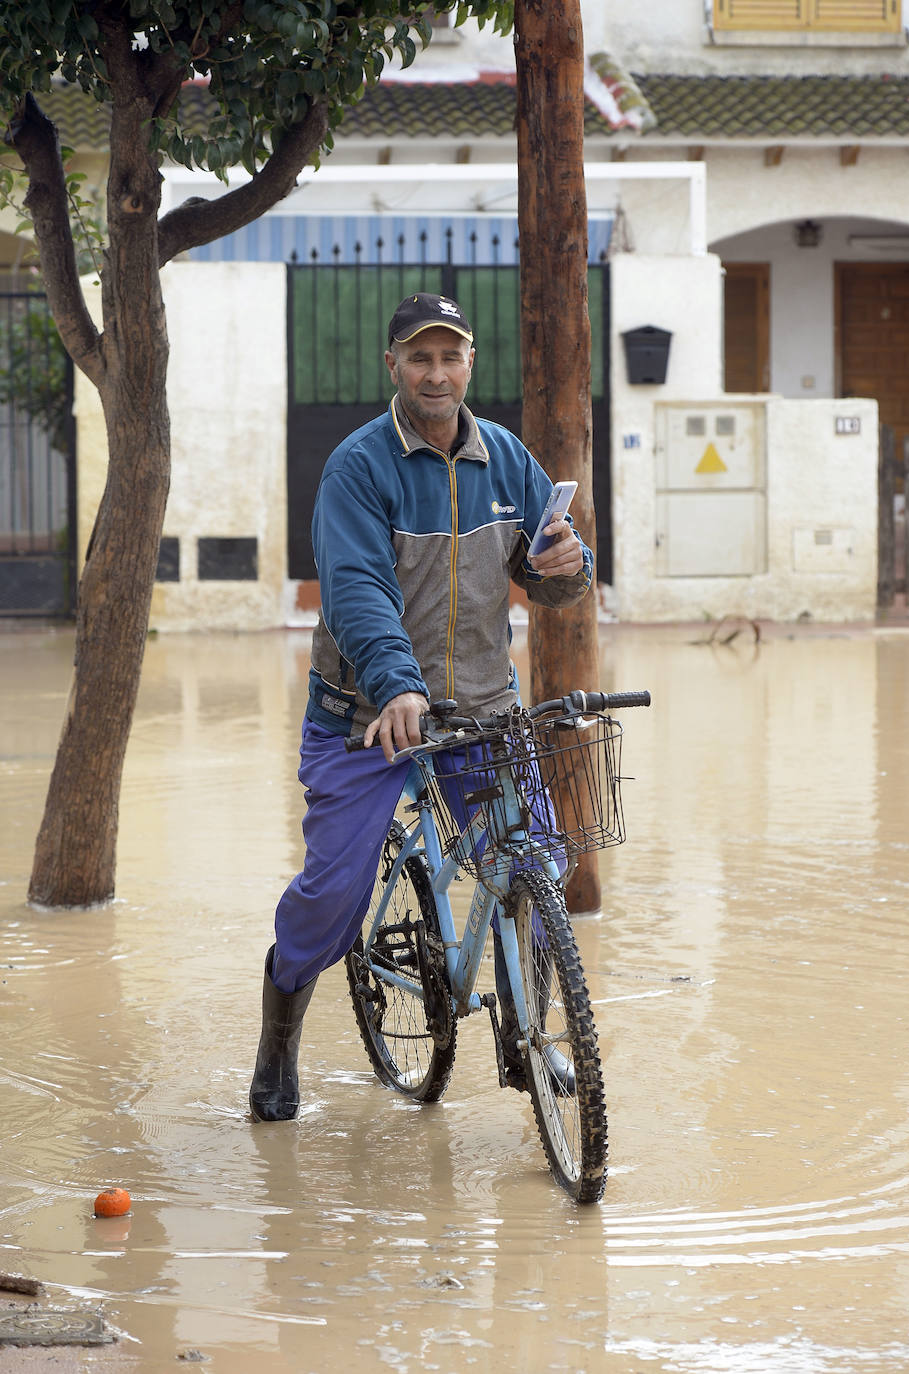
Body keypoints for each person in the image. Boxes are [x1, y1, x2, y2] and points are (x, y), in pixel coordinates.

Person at [250, 291, 593, 1122]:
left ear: (471, 364)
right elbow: (358, 592)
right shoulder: (358, 468)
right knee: (332, 900)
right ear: (393, 367)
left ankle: (536, 1029)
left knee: (538, 860)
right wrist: (397, 683)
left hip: (480, 712)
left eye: (451, 357)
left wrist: (568, 566)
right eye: (419, 358)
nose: (436, 373)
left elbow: (554, 574)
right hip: (365, 718)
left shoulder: (506, 460)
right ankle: (279, 1033)